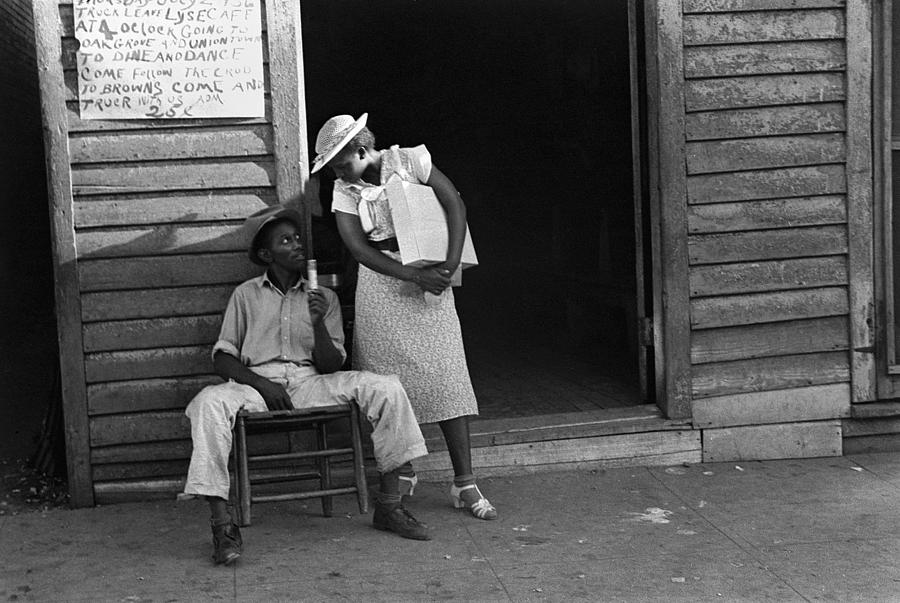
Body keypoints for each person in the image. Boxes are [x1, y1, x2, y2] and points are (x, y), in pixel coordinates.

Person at [180, 205, 432, 566]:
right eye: (286, 241)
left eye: (298, 238)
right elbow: (223, 358)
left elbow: (333, 365)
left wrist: (317, 323)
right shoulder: (246, 295)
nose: (298, 245)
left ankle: (390, 506)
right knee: (207, 403)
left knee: (387, 387)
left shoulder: (322, 298)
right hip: (256, 387)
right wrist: (262, 385)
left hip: (309, 383)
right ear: (267, 255)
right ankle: (222, 526)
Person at [310, 113, 497, 521]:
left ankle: (464, 480)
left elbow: (454, 203)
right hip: (383, 284)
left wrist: (448, 266)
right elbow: (359, 249)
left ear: (362, 149)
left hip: (432, 272)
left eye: (341, 162)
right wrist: (414, 276)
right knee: (388, 381)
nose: (338, 172)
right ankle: (403, 470)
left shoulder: (411, 161)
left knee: (447, 374)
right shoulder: (344, 190)